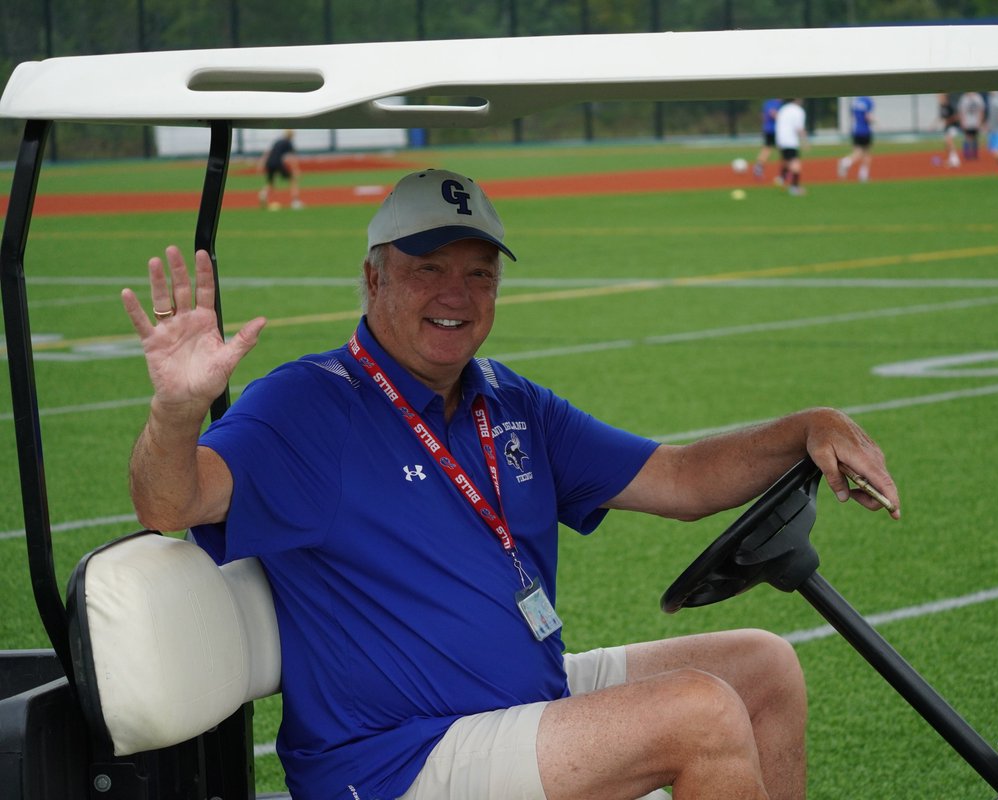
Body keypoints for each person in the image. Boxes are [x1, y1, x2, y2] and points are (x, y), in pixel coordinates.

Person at [120, 168, 900, 800]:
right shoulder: (311, 404)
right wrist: (177, 409)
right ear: (372, 278)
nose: (455, 295)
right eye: (428, 269)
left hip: (521, 702)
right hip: (397, 760)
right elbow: (170, 501)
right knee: (696, 715)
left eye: (478, 274)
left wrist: (808, 425)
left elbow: (682, 477)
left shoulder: (509, 402)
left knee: (762, 667)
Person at [258, 130, 303, 210]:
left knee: (271, 183)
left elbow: (268, 152)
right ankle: (295, 202)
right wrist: (296, 169)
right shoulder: (288, 143)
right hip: (278, 162)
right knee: (293, 179)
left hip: (269, 163)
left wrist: (261, 163)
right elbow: (292, 157)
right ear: (291, 136)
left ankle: (263, 193)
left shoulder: (277, 141)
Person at [775, 98, 810, 195]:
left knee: (787, 161)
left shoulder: (783, 109)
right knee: (795, 164)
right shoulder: (798, 111)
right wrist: (805, 142)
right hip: (791, 140)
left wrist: (778, 141)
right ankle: (794, 187)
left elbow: (778, 125)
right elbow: (799, 128)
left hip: (781, 139)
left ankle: (781, 179)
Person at [837, 95, 874, 182]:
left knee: (858, 152)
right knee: (866, 153)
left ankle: (862, 174)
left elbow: (853, 115)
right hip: (865, 130)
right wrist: (874, 121)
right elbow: (867, 116)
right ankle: (847, 163)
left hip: (856, 129)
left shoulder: (855, 101)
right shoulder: (868, 101)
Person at [753, 98, 783, 181]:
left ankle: (758, 168)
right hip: (773, 131)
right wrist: (784, 119)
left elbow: (763, 116)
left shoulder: (768, 102)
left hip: (769, 130)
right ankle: (783, 173)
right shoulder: (773, 102)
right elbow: (772, 113)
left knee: (767, 149)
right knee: (780, 150)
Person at [956, 91, 985, 161]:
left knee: (975, 138)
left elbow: (981, 110)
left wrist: (980, 122)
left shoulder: (978, 97)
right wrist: (962, 122)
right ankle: (967, 155)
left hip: (975, 122)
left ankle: (975, 155)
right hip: (967, 122)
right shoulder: (964, 98)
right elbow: (961, 111)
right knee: (967, 138)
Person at [937, 93, 961, 168]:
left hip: (954, 126)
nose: (939, 98)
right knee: (947, 144)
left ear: (945, 98)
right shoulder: (941, 107)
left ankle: (956, 161)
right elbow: (942, 118)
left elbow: (957, 116)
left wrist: (949, 121)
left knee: (949, 140)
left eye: (941, 97)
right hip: (947, 127)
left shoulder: (950, 106)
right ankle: (951, 160)